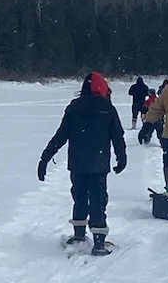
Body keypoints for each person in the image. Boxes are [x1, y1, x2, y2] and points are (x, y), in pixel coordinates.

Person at [37, 70, 128, 254]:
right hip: (99, 164)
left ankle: (79, 235)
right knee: (98, 200)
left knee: (79, 197)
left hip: (78, 164)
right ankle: (99, 242)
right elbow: (117, 136)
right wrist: (121, 157)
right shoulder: (107, 108)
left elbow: (61, 135)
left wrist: (45, 158)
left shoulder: (74, 107)